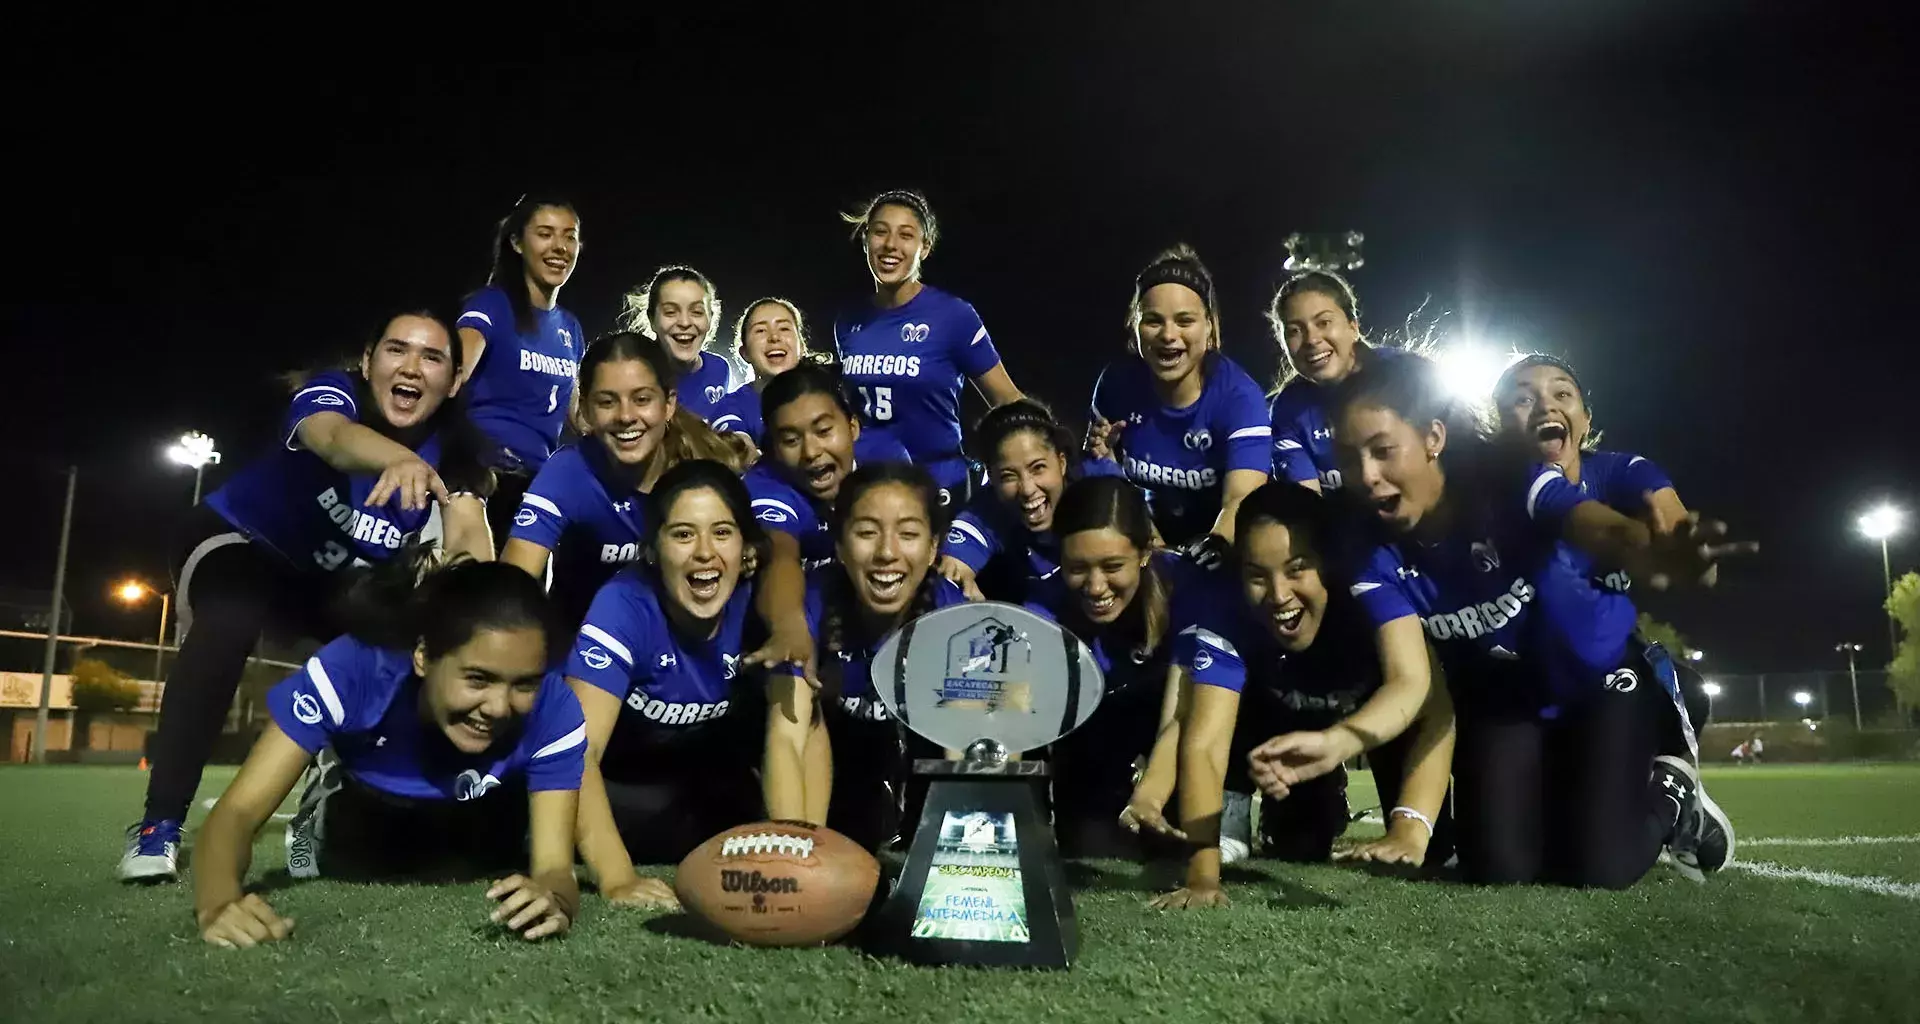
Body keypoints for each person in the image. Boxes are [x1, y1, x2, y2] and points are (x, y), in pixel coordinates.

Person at [1325, 353, 1752, 887]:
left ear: (1434, 437)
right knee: (1499, 869)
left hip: (1597, 679)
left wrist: (1659, 551)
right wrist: (1341, 743)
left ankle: (1671, 791)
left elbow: (1606, 529)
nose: (1367, 475)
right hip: (1511, 693)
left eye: (1383, 451)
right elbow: (1413, 683)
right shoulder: (1370, 546)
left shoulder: (1528, 486)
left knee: (1601, 867)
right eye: (1522, 397)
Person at [120, 312, 495, 883]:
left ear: (454, 380)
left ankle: (326, 809)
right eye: (397, 350)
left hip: (325, 581)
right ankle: (158, 826)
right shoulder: (334, 393)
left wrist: (480, 598)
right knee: (231, 618)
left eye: (432, 357)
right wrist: (400, 459)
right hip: (239, 541)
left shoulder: (461, 448)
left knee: (401, 653)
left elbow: (468, 530)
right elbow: (334, 441)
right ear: (368, 362)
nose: (411, 367)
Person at [191, 559, 586, 947]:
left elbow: (554, 867)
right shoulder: (355, 667)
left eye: (523, 684)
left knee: (479, 860)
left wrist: (557, 900)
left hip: (478, 818)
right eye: (478, 678)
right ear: (422, 656)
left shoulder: (554, 702)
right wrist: (219, 901)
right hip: (368, 813)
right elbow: (236, 814)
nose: (500, 706)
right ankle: (324, 790)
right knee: (360, 860)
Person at [1147, 482, 1457, 909]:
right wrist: (1202, 874)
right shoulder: (1223, 603)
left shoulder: (1368, 590)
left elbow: (1433, 708)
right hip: (1279, 731)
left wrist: (1412, 825)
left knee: (1433, 855)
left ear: (1328, 563)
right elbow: (1205, 743)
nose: (1278, 595)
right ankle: (1256, 806)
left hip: (1372, 727)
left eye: (1296, 569)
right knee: (1300, 843)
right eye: (1258, 575)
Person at [563, 460, 774, 907]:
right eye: (682, 534)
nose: (704, 552)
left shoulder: (762, 602)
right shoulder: (624, 604)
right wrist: (618, 878)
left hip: (707, 794)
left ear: (745, 547)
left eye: (721, 532)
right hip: (618, 789)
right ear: (654, 549)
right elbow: (577, 753)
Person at [1493, 352, 1715, 740]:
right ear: (1500, 425)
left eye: (1562, 394)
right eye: (1524, 398)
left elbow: (1677, 535)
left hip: (1601, 666)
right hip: (1516, 671)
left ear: (1586, 418)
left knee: (1686, 692)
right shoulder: (1492, 490)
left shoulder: (1622, 472)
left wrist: (1686, 557)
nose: (1546, 404)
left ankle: (1670, 780)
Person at [763, 463, 966, 852]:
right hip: (835, 768)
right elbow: (785, 738)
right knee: (809, 720)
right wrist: (792, 860)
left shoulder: (955, 621)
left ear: (933, 547)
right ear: (839, 546)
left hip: (913, 760)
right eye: (867, 533)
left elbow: (967, 756)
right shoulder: (808, 607)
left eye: (908, 534)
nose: (887, 552)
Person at [500, 332, 748, 630]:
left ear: (668, 404)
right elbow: (513, 584)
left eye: (642, 399)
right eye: (607, 402)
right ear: (587, 410)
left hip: (674, 647)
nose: (626, 416)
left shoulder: (702, 465)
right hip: (580, 645)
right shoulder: (569, 471)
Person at [1024, 476, 1207, 860]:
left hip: (1175, 723)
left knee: (1177, 843)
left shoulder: (1187, 585)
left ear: (1144, 552)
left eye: (1112, 566)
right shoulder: (1042, 607)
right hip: (1094, 728)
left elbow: (1186, 709)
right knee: (1087, 847)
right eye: (1077, 567)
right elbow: (1020, 711)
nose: (1095, 586)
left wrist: (1152, 796)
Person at [833, 189, 1023, 506]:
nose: (891, 244)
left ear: (925, 248)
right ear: (866, 239)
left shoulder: (954, 315)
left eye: (906, 235)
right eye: (880, 231)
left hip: (940, 488)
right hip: (873, 489)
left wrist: (1051, 453)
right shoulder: (848, 321)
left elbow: (1006, 399)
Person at [1089, 245, 1270, 557]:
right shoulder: (1115, 384)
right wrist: (1156, 550)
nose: (1168, 335)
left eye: (1185, 321)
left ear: (1210, 326)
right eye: (1153, 321)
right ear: (1134, 325)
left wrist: (1214, 547)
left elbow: (1241, 500)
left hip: (1220, 547)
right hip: (1146, 538)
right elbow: (1105, 477)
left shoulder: (1239, 397)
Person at [454, 197, 586, 544]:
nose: (559, 246)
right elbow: (449, 377)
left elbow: (580, 419)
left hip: (536, 488)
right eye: (545, 234)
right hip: (482, 479)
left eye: (569, 236)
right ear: (516, 242)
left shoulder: (570, 329)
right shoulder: (492, 303)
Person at [937, 399, 1121, 604]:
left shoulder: (1099, 484)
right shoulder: (989, 507)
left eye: (1038, 468)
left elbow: (1148, 552)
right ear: (992, 477)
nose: (1027, 489)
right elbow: (951, 570)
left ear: (1061, 462)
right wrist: (957, 588)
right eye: (1008, 476)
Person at [1265, 270, 1410, 493]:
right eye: (1294, 331)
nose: (1312, 340)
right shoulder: (1288, 409)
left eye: (1323, 322)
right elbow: (1306, 507)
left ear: (1353, 327)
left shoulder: (1407, 376)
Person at [619, 265, 734, 423]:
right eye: (670, 312)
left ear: (710, 319)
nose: (685, 322)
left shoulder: (720, 369)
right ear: (652, 319)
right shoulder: (631, 373)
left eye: (697, 312)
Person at [710, 297, 811, 443]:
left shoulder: (829, 394)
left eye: (784, 328)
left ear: (801, 346)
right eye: (760, 330)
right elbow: (738, 450)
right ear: (745, 353)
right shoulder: (730, 406)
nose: (774, 337)